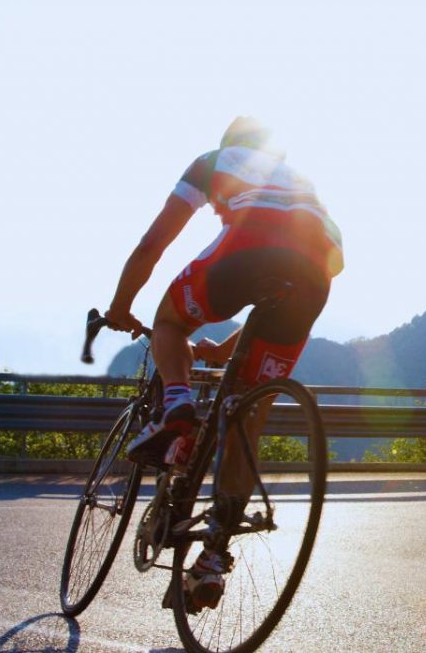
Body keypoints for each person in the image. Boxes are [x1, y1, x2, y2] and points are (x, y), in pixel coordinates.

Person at [104, 116, 342, 609]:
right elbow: (308, 271)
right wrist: (228, 346)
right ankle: (212, 558)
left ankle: (176, 405)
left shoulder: (213, 162)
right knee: (247, 414)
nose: (215, 210)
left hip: (247, 253)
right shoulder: (300, 181)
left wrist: (120, 306)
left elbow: (153, 244)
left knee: (169, 321)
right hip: (315, 276)